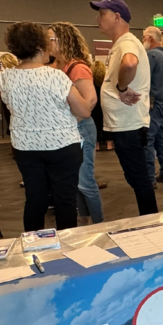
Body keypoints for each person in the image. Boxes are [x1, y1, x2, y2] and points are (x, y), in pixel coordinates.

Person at [0, 22, 91, 231]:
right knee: (65, 201)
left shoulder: (6, 77)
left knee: (35, 200)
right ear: (41, 46)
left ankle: (32, 247)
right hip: (63, 147)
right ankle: (67, 249)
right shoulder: (56, 77)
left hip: (26, 148)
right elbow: (84, 111)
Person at [91, 0, 158, 215]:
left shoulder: (127, 42)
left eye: (103, 14)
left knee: (138, 179)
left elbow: (129, 64)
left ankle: (150, 222)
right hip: (124, 125)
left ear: (117, 16)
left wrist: (121, 88)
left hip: (128, 125)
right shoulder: (122, 44)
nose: (98, 19)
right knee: (136, 178)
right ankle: (149, 221)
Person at [48, 21, 104, 225]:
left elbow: (90, 101)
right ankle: (84, 222)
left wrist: (67, 121)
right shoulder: (57, 66)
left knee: (86, 182)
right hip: (70, 130)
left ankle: (100, 226)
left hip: (80, 129)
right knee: (76, 182)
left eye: (51, 39)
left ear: (63, 41)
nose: (47, 43)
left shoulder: (77, 67)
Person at [142, 26, 163, 189]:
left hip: (153, 105)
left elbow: (145, 81)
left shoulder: (151, 55)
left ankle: (149, 178)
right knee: (159, 139)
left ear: (149, 38)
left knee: (147, 140)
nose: (142, 42)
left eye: (143, 38)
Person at [91, 61, 112, 151]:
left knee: (96, 124)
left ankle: (97, 145)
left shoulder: (91, 81)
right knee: (106, 122)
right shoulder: (106, 80)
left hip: (95, 105)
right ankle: (109, 144)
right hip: (105, 103)